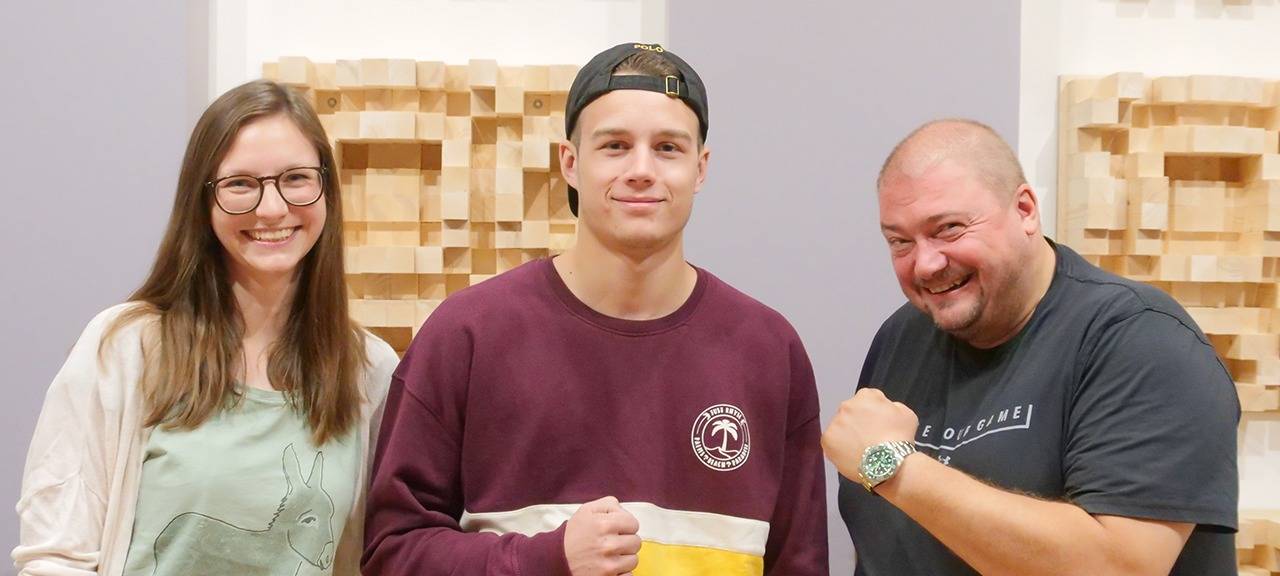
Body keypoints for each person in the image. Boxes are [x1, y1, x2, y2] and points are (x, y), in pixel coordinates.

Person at [363, 42, 828, 575]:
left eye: (668, 148)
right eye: (615, 146)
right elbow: (392, 554)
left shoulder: (767, 349)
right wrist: (546, 559)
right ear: (570, 162)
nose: (641, 170)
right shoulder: (467, 334)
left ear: (700, 168)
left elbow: (800, 563)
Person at [13, 80, 399, 576]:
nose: (272, 208)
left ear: (327, 189)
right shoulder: (125, 348)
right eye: (241, 184)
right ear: (203, 200)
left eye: (296, 178)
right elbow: (55, 556)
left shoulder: (368, 370)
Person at [822, 118, 1239, 575]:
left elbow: (1119, 566)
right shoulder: (902, 336)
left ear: (1024, 210)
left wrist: (893, 467)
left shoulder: (1143, 340)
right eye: (900, 241)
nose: (925, 264)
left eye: (949, 229)